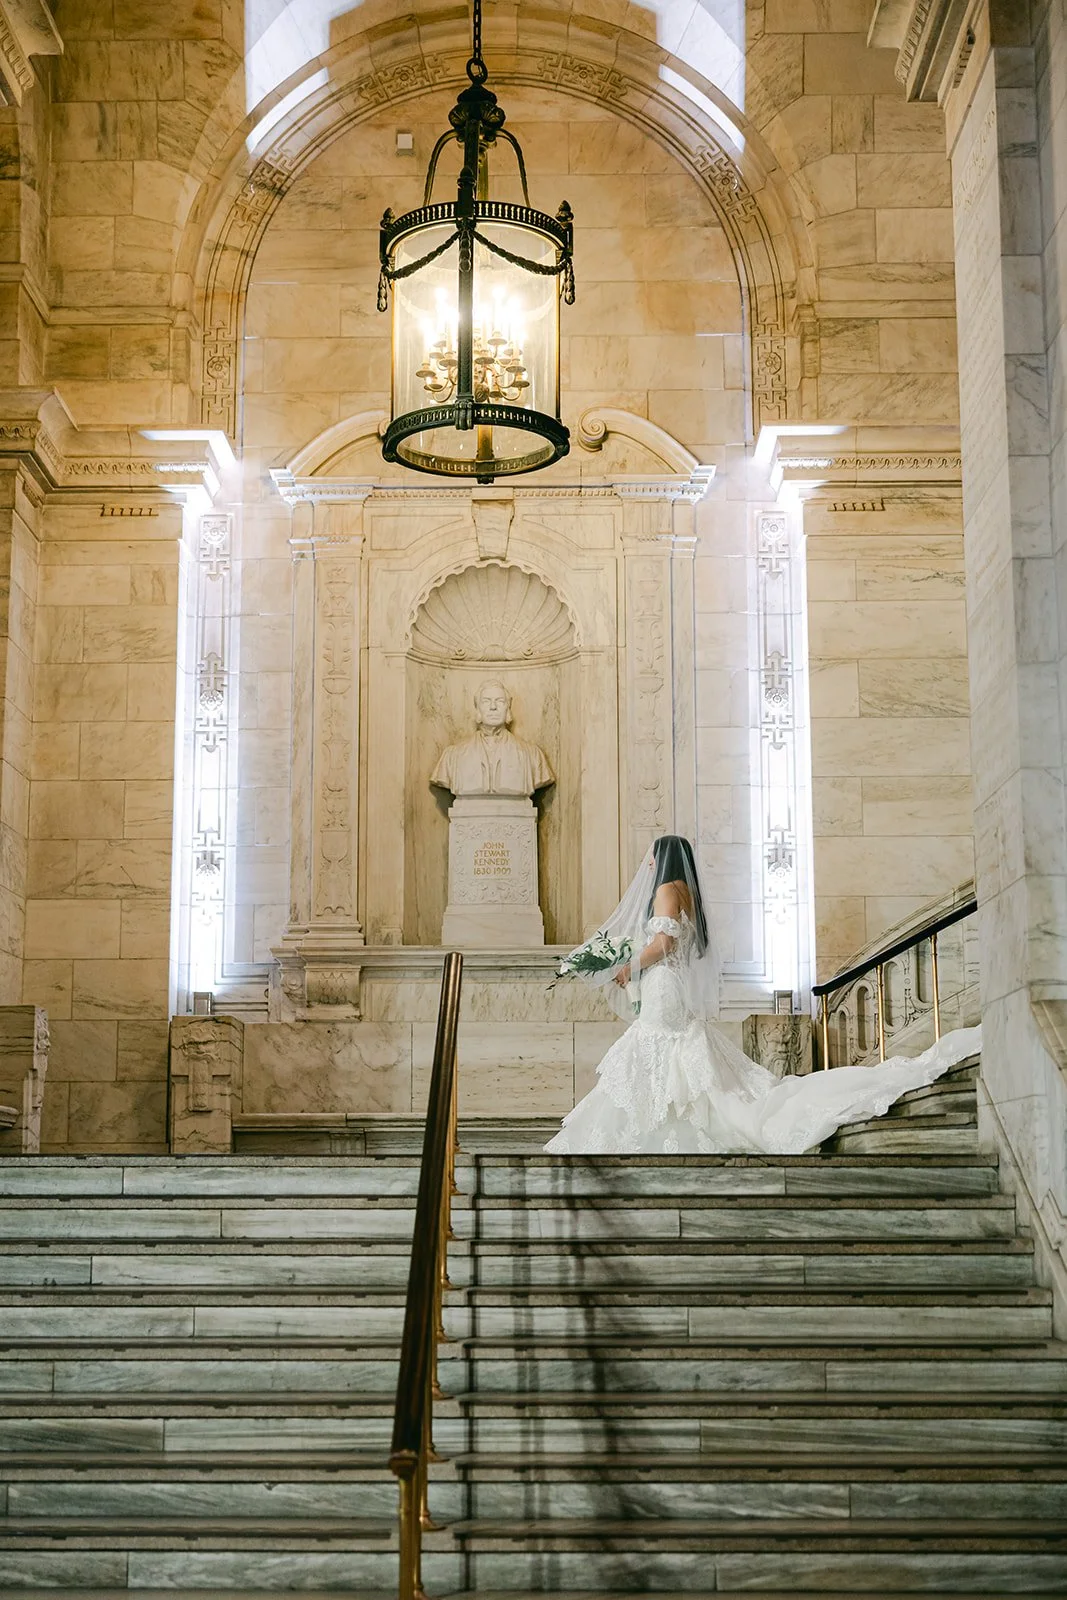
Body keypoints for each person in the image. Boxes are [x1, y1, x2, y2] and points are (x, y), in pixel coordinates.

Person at [545, 834, 980, 1155]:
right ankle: (663, 1123)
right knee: (663, 1053)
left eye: (650, 857)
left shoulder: (663, 890)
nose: (646, 865)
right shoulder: (686, 895)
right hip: (670, 989)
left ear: (661, 860)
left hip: (662, 986)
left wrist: (628, 966)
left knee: (655, 1050)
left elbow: (664, 945)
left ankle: (651, 1127)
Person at [430, 681, 554, 798]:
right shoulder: (453, 756)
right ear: (478, 709)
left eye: (500, 701)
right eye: (486, 701)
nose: (493, 707)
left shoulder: (532, 755)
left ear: (508, 708)